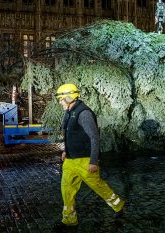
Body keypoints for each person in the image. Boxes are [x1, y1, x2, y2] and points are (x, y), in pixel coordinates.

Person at [53, 83, 125, 231]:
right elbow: (70, 134)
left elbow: (94, 137)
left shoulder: (84, 113)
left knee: (99, 186)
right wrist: (66, 150)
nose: (60, 102)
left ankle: (118, 205)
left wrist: (93, 161)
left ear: (69, 97)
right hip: (70, 161)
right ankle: (69, 220)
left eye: (61, 99)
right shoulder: (68, 112)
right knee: (66, 191)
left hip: (85, 161)